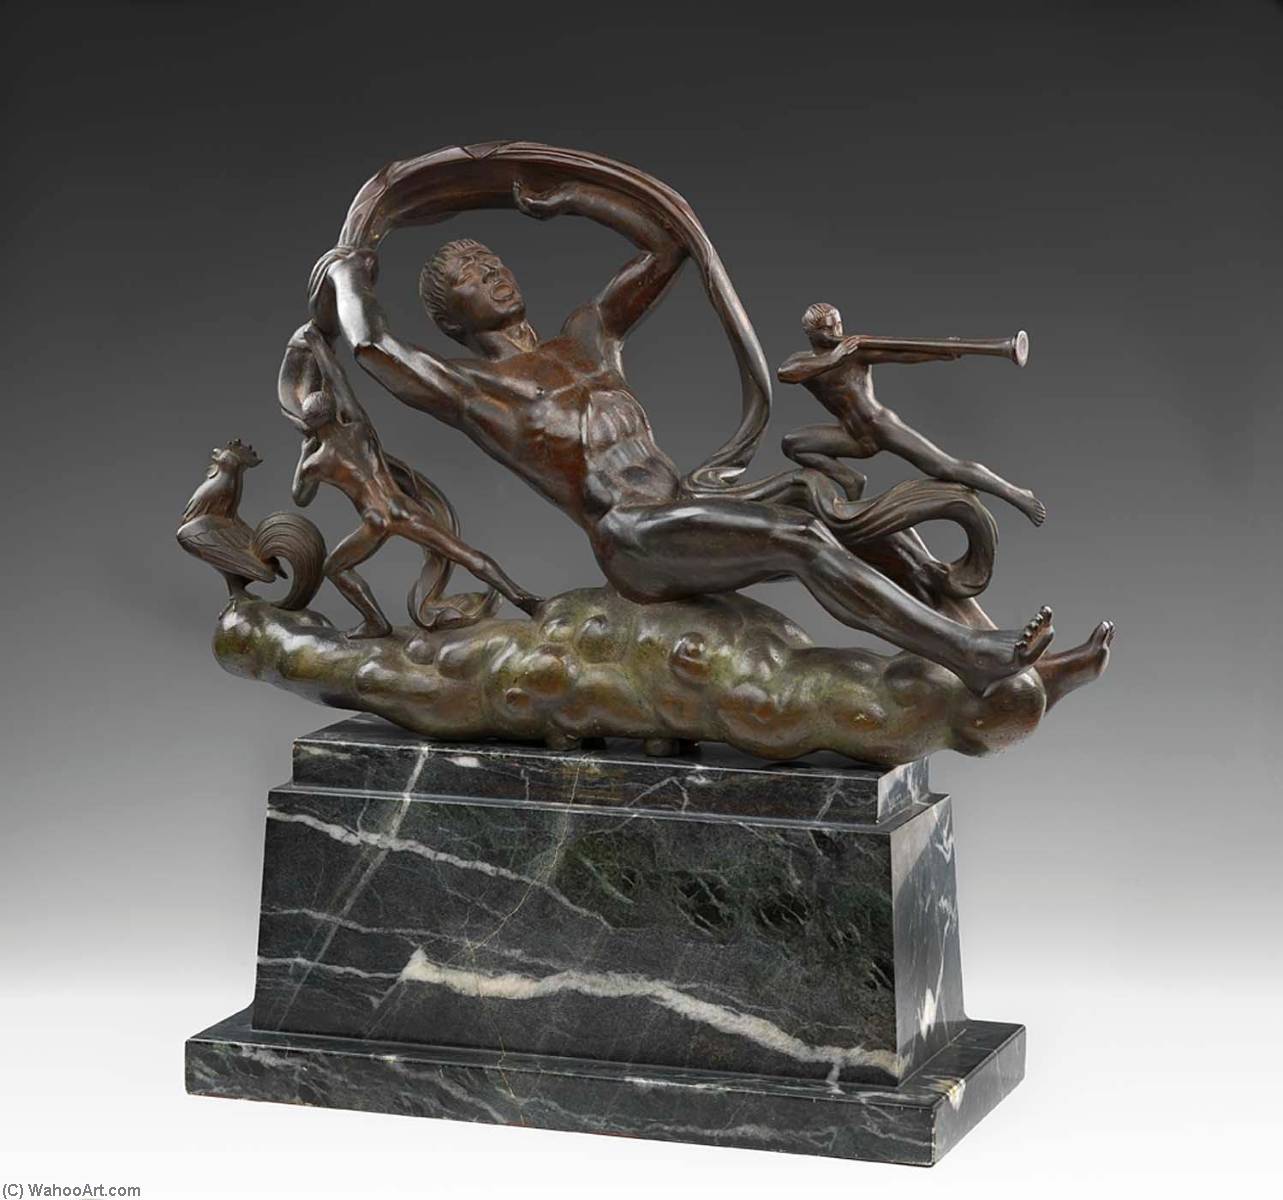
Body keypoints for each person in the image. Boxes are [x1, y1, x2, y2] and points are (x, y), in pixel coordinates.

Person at [309, 181, 1053, 695]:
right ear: (451, 318)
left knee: (829, 501)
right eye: (472, 276)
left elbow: (665, 247)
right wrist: (350, 274)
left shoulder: (586, 336)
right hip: (633, 537)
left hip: (680, 500)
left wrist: (568, 200)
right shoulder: (476, 390)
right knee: (801, 538)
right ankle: (969, 655)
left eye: (493, 261)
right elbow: (374, 350)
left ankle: (980, 632)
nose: (494, 273)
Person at [279, 323, 541, 638]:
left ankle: (375, 621)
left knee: (334, 569)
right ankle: (522, 598)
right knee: (464, 554)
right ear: (334, 410)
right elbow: (339, 380)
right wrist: (320, 348)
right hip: (402, 508)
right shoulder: (359, 429)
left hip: (374, 522)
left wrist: (304, 453)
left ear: (309, 424)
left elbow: (300, 498)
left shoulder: (317, 462)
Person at [778, 302, 1046, 525]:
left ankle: (1016, 494)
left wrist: (941, 353)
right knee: (792, 444)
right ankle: (850, 480)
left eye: (838, 324)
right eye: (828, 328)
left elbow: (902, 353)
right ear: (810, 332)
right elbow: (786, 374)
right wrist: (833, 357)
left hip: (880, 426)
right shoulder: (806, 360)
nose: (837, 331)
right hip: (850, 435)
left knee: (945, 466)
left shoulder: (855, 353)